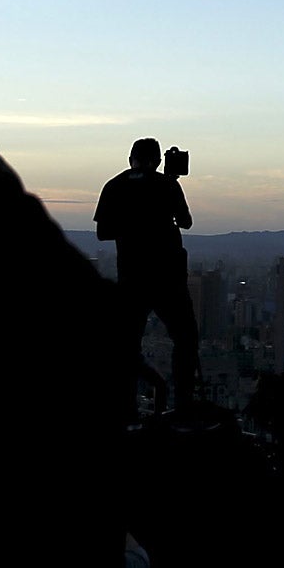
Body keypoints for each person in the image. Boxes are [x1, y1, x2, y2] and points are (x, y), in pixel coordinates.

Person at [94, 138, 200, 410]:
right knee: (185, 340)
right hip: (168, 279)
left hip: (131, 278)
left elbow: (103, 232)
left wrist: (131, 227)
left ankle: (125, 408)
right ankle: (183, 404)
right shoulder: (167, 186)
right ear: (158, 160)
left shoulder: (114, 186)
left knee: (128, 347)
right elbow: (186, 222)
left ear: (131, 158)